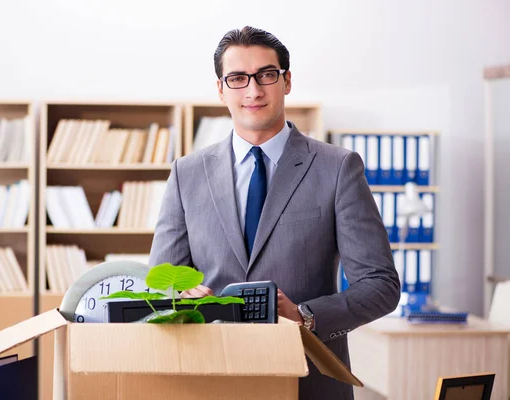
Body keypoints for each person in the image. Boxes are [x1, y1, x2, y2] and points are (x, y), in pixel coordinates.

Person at [149, 25, 400, 400]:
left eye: (266, 75)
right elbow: (160, 282)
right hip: (209, 378)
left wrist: (305, 316)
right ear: (221, 89)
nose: (253, 90)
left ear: (286, 82)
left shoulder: (337, 167)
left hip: (308, 381)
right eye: (237, 78)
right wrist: (179, 296)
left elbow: (381, 286)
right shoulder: (187, 173)